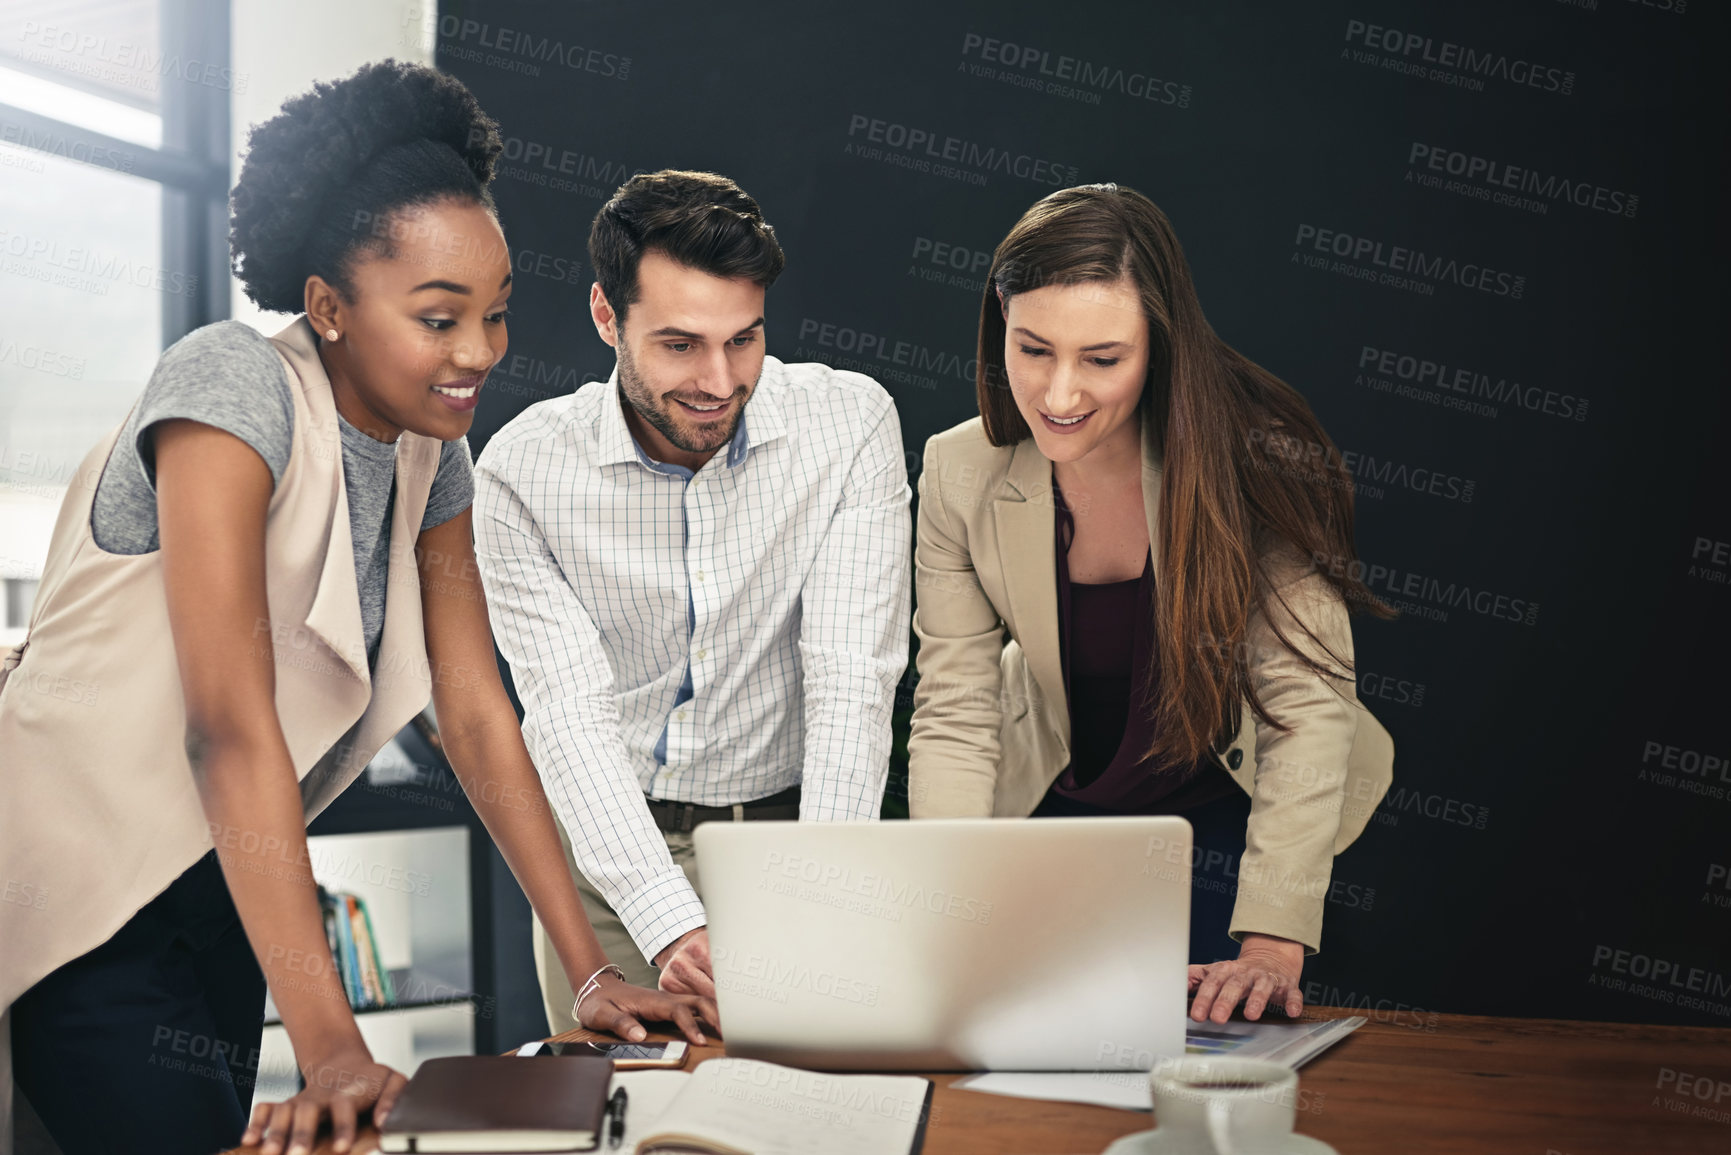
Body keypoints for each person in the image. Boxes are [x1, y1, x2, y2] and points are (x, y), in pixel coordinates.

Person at [0, 62, 711, 1155]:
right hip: (79, 891)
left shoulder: (436, 455)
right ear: (328, 307)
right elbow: (228, 724)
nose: (479, 352)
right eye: (439, 318)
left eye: (497, 313)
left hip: (218, 890)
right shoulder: (233, 387)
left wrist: (591, 974)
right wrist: (331, 1042)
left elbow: (477, 718)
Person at [906, 183, 1395, 1026]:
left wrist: (1273, 938)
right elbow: (956, 709)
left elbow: (1306, 713)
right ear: (999, 326)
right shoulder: (957, 471)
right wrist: (948, 901)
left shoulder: (1253, 460)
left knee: (1217, 1056)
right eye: (1032, 350)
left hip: (1234, 821)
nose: (1058, 394)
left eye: (1102, 359)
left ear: (1159, 347)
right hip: (1060, 806)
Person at [474, 170, 913, 1031]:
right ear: (607, 317)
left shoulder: (851, 425)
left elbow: (850, 679)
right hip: (608, 860)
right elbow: (566, 716)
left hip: (792, 834)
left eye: (743, 340)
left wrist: (820, 890)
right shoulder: (521, 472)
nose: (719, 380)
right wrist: (666, 918)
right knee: (627, 1119)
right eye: (679, 345)